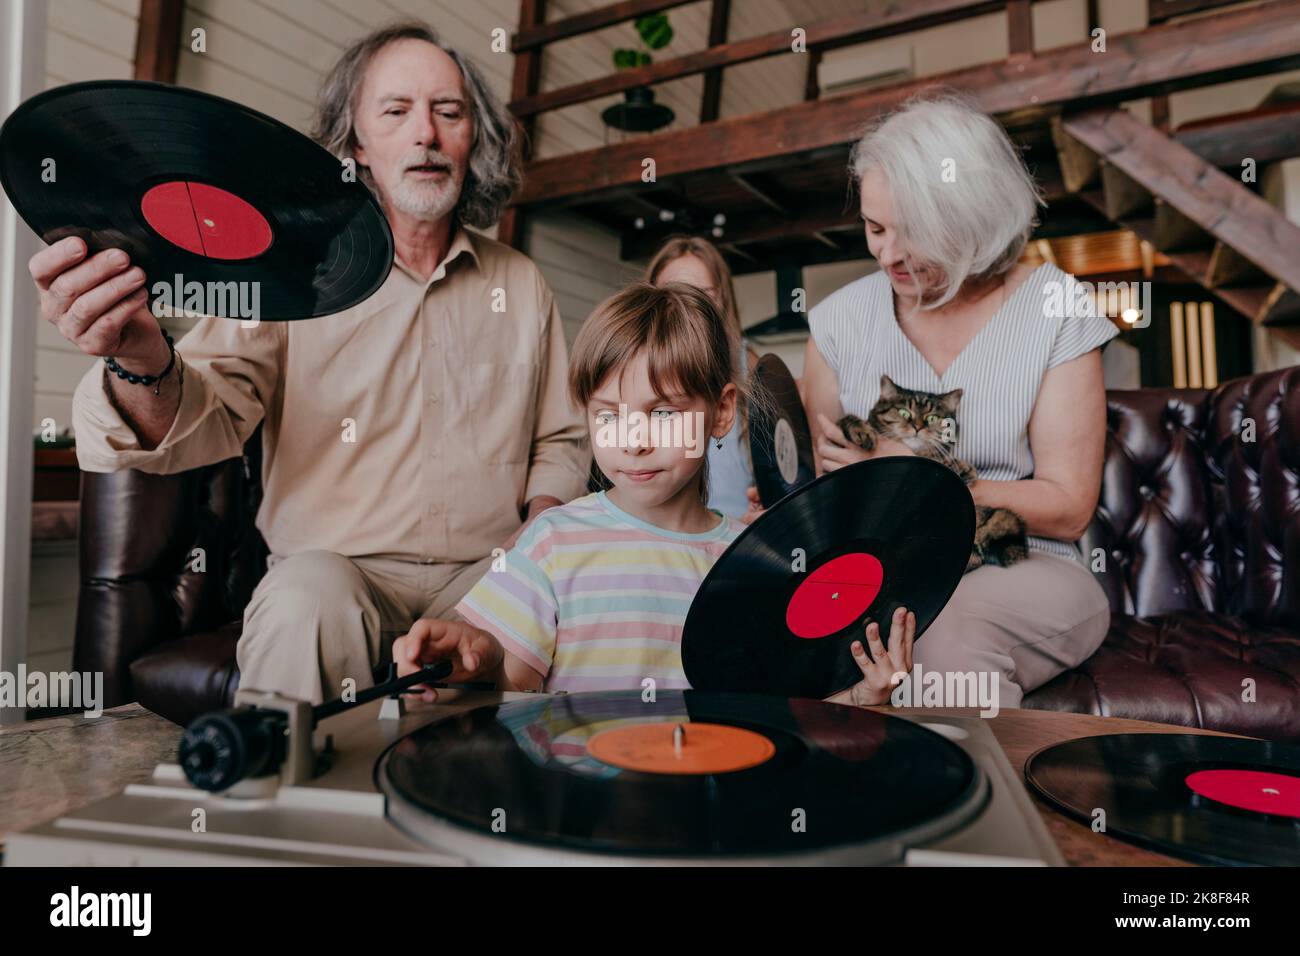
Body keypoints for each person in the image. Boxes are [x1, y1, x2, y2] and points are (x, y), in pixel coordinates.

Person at [30, 22, 589, 705]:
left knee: (579, 614)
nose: (427, 135)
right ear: (356, 144)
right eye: (396, 111)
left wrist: (539, 536)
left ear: (474, 140)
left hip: (487, 574)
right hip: (336, 571)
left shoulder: (522, 282)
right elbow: (208, 414)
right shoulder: (289, 273)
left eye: (450, 112)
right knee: (304, 605)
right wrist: (140, 356)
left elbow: (560, 439)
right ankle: (276, 807)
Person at [395, 282, 914, 707]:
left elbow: (784, 708)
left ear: (721, 411)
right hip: (584, 813)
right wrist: (478, 660)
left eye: (662, 413)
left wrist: (864, 696)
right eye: (608, 415)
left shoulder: (761, 558)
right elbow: (510, 686)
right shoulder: (552, 542)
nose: (634, 441)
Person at [801, 92, 1116, 708]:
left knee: (938, 636)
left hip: (1020, 563)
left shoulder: (1055, 307)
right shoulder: (837, 323)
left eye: (913, 231)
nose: (888, 253)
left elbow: (1068, 507)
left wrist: (913, 480)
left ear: (972, 214)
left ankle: (978, 806)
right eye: (874, 226)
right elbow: (825, 493)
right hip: (880, 566)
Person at [645, 237, 759, 519]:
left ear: (722, 301)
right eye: (674, 293)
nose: (689, 308)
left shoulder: (749, 366)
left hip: (735, 544)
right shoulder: (633, 372)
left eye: (703, 295)